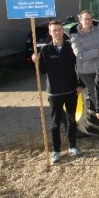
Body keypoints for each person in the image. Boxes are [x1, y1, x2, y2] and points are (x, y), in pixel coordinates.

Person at [32, 20, 84, 164]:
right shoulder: (46, 50)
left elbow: (79, 66)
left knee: (71, 120)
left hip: (71, 90)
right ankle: (56, 150)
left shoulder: (70, 47)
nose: (57, 32)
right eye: (54, 30)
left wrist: (80, 84)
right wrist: (36, 61)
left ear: (62, 31)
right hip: (54, 92)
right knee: (55, 123)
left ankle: (73, 146)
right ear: (50, 32)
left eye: (59, 30)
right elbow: (42, 71)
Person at [70, 10, 99, 111]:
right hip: (87, 71)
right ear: (80, 20)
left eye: (90, 19)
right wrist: (98, 51)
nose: (88, 21)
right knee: (96, 96)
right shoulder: (75, 36)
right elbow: (81, 55)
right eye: (86, 19)